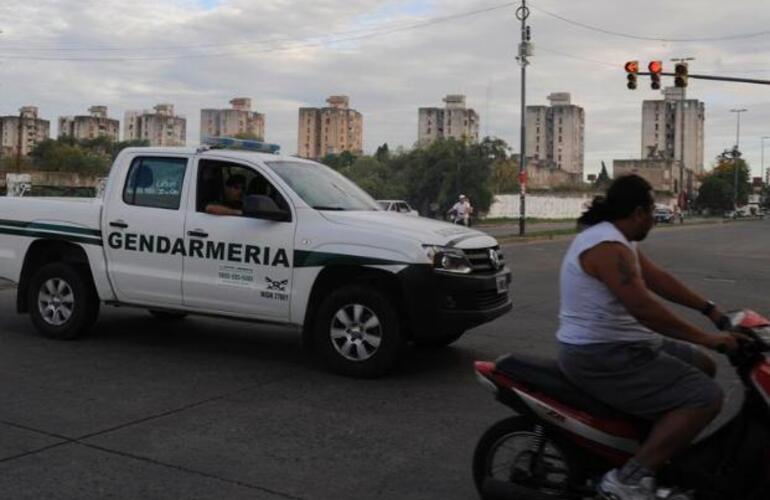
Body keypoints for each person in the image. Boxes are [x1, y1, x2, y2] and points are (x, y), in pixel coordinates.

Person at [556, 175, 743, 500]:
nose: (656, 218)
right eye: (653, 209)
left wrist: (711, 311)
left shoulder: (621, 240)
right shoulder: (607, 248)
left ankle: (652, 445)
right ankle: (627, 479)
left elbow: (658, 279)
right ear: (639, 212)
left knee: (703, 366)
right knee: (706, 397)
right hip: (601, 353)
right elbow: (645, 308)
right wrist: (707, 338)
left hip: (624, 343)